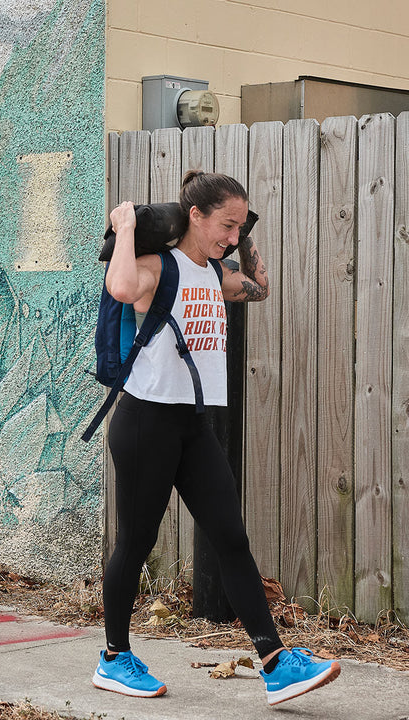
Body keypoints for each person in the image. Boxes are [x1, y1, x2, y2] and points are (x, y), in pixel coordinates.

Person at [91, 171, 341, 706]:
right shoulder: (160, 267)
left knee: (231, 536)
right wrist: (126, 224)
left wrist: (242, 234)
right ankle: (114, 657)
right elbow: (120, 287)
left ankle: (276, 663)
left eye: (239, 225)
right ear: (194, 216)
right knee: (136, 543)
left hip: (192, 424)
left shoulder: (215, 274)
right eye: (223, 223)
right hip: (145, 422)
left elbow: (261, 287)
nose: (231, 235)